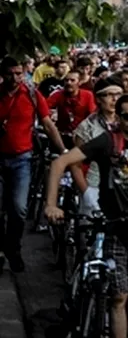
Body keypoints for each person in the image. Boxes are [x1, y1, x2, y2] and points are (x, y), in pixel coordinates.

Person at [45, 93, 128, 338]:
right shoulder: (106, 141)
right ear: (118, 117)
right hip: (114, 227)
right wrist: (51, 205)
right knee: (119, 295)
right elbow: (59, 163)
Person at [0, 55, 66, 272]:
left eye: (18, 73)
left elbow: (47, 124)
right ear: (2, 75)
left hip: (22, 160)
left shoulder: (31, 94)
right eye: (10, 73)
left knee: (18, 208)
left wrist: (62, 151)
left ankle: (14, 248)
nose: (15, 77)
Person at [74, 76, 125, 215]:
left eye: (119, 95)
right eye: (110, 95)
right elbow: (75, 164)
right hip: (96, 185)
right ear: (98, 98)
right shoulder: (87, 127)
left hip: (125, 186)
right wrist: (86, 192)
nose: (115, 99)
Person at [48, 68, 96, 138]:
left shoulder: (88, 95)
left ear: (79, 82)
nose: (68, 83)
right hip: (62, 134)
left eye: (72, 80)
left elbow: (92, 115)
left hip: (82, 134)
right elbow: (45, 108)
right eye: (66, 80)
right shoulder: (58, 94)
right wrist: (51, 115)